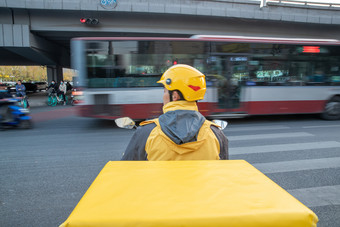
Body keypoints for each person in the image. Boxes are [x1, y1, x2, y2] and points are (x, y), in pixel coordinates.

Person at [121, 64, 229, 161]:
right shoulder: (216, 134)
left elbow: (125, 172)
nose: (163, 96)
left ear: (175, 96)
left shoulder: (146, 133)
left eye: (165, 91)